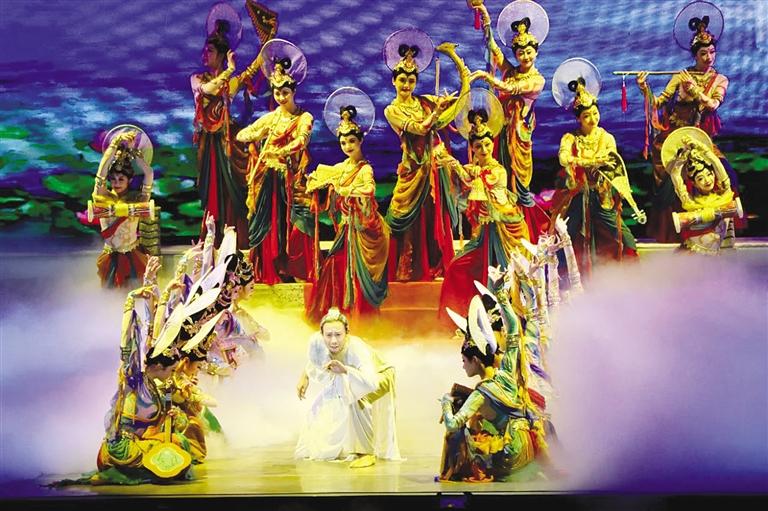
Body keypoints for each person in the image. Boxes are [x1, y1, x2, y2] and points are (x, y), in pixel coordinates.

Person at [636, 9, 739, 242]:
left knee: (728, 175)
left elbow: (713, 104)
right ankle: (677, 234)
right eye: (703, 53)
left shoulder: (720, 79)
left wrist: (696, 92)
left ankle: (720, 228)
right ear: (695, 55)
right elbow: (658, 103)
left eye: (712, 52)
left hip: (699, 138)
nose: (709, 58)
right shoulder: (681, 76)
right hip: (674, 137)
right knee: (670, 184)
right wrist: (644, 88)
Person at [440, 294, 549, 482]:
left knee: (459, 436)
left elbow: (452, 424)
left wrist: (445, 403)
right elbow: (513, 328)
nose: (463, 366)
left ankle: (455, 471)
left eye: (464, 361)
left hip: (511, 455)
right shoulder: (506, 371)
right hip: (529, 445)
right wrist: (502, 297)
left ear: (475, 360)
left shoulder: (480, 394)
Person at [438, 105, 529, 324]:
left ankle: (512, 319)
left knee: (508, 275)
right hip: (485, 235)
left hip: (503, 230)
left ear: (493, 144)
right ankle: (468, 317)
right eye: (479, 146)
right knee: (456, 267)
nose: (484, 150)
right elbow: (464, 185)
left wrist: (462, 169)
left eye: (487, 144)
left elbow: (480, 186)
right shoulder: (474, 169)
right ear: (473, 148)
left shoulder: (498, 171)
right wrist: (452, 164)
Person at [383, 35, 463, 281]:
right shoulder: (392, 110)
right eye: (402, 80)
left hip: (433, 167)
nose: (406, 85)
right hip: (412, 170)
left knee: (431, 216)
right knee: (403, 217)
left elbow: (454, 108)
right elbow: (419, 129)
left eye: (411, 80)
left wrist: (458, 84)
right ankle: (406, 267)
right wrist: (435, 114)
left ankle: (435, 264)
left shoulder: (424, 101)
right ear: (394, 80)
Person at [236, 43, 316, 284]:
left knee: (296, 222)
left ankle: (291, 266)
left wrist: (281, 150)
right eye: (277, 93)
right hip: (269, 179)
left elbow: (301, 141)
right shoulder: (271, 118)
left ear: (293, 91)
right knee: (267, 223)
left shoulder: (304, 117)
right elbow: (243, 134)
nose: (281, 97)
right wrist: (254, 137)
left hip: (290, 179)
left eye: (285, 93)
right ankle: (268, 266)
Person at [470, 0, 549, 241]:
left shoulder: (537, 80)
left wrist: (487, 78)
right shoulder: (511, 71)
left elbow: (510, 88)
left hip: (519, 139)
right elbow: (493, 49)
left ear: (536, 51)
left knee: (520, 184)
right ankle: (501, 232)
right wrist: (485, 16)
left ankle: (525, 232)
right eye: (520, 52)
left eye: (529, 51)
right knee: (500, 183)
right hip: (501, 134)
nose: (525, 56)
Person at [305, 101, 390, 322]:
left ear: (360, 141)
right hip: (347, 229)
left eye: (352, 141)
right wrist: (314, 181)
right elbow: (324, 173)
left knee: (352, 271)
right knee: (333, 264)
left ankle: (360, 317)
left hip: (363, 231)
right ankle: (336, 313)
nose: (347, 146)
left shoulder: (365, 168)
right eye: (343, 142)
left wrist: (345, 190)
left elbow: (369, 189)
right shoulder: (343, 167)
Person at [549, 77, 639, 274]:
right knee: (567, 235)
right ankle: (562, 275)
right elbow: (563, 158)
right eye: (587, 116)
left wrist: (594, 163)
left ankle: (629, 273)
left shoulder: (606, 138)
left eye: (595, 113)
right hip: (577, 195)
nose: (593, 119)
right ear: (578, 119)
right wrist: (589, 162)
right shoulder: (570, 138)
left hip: (602, 195)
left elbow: (612, 162)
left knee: (622, 236)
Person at [295, 308, 400, 467]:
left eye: (338, 335)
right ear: (321, 334)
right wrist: (304, 376)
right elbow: (315, 360)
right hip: (352, 376)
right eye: (328, 335)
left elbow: (369, 381)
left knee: (356, 398)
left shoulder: (356, 348)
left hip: (379, 374)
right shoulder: (317, 342)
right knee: (330, 400)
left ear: (347, 333)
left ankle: (367, 452)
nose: (333, 341)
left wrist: (345, 370)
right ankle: (346, 446)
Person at [192, 17, 261, 249]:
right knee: (213, 190)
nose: (205, 54)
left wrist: (267, 45)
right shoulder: (197, 79)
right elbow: (208, 91)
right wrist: (230, 70)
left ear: (222, 54)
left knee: (232, 189)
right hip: (210, 144)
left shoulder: (230, 83)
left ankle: (235, 236)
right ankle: (212, 238)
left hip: (228, 141)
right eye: (205, 50)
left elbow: (251, 71)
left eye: (210, 51)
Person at [91, 129, 153, 288]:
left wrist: (134, 152)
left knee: (135, 294)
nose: (116, 183)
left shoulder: (136, 200)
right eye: (113, 179)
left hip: (133, 256)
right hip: (111, 257)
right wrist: (114, 145)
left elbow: (148, 174)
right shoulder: (104, 197)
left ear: (129, 180)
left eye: (121, 179)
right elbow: (100, 176)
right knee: (110, 295)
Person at [665, 130, 743, 254]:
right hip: (695, 251)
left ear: (714, 174)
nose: (707, 180)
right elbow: (676, 178)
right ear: (694, 183)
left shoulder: (724, 196)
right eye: (700, 178)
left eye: (709, 174)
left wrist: (702, 147)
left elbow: (717, 165)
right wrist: (680, 161)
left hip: (718, 252)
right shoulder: (692, 203)